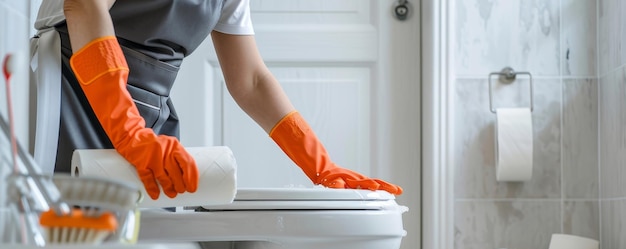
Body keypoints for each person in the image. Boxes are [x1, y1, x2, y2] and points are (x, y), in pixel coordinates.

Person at [32, 0, 402, 200]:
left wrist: (321, 166)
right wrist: (128, 131)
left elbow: (251, 80)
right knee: (75, 238)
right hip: (72, 87)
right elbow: (83, 6)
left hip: (147, 112)